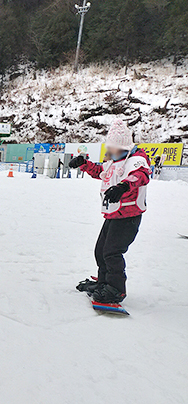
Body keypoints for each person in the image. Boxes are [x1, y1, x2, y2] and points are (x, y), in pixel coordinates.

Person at [69, 119, 150, 304]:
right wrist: (83, 163)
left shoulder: (136, 160)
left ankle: (116, 289)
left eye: (111, 147)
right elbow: (100, 172)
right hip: (114, 214)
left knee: (112, 252)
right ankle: (104, 282)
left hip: (128, 216)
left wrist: (123, 187)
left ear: (122, 147)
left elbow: (141, 176)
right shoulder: (115, 160)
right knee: (101, 251)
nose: (108, 151)